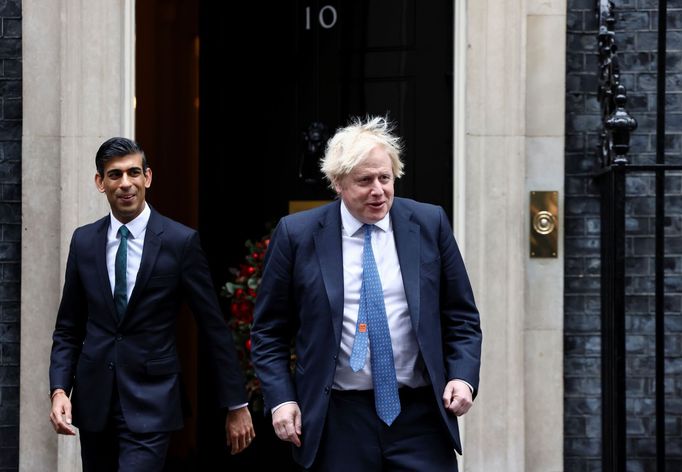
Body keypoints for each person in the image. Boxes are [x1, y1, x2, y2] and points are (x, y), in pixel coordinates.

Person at [251, 116, 482, 471]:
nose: (378, 190)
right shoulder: (298, 235)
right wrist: (281, 400)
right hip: (338, 419)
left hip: (420, 417)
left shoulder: (429, 224)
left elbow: (462, 316)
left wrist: (462, 377)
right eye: (365, 181)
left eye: (385, 178)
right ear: (338, 182)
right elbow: (269, 330)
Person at [48, 137, 255, 471]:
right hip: (94, 400)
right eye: (115, 175)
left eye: (133, 172)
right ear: (100, 183)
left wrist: (236, 403)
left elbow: (213, 327)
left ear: (148, 177)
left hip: (152, 400)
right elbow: (69, 327)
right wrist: (59, 390)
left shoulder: (180, 242)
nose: (125, 183)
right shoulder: (84, 241)